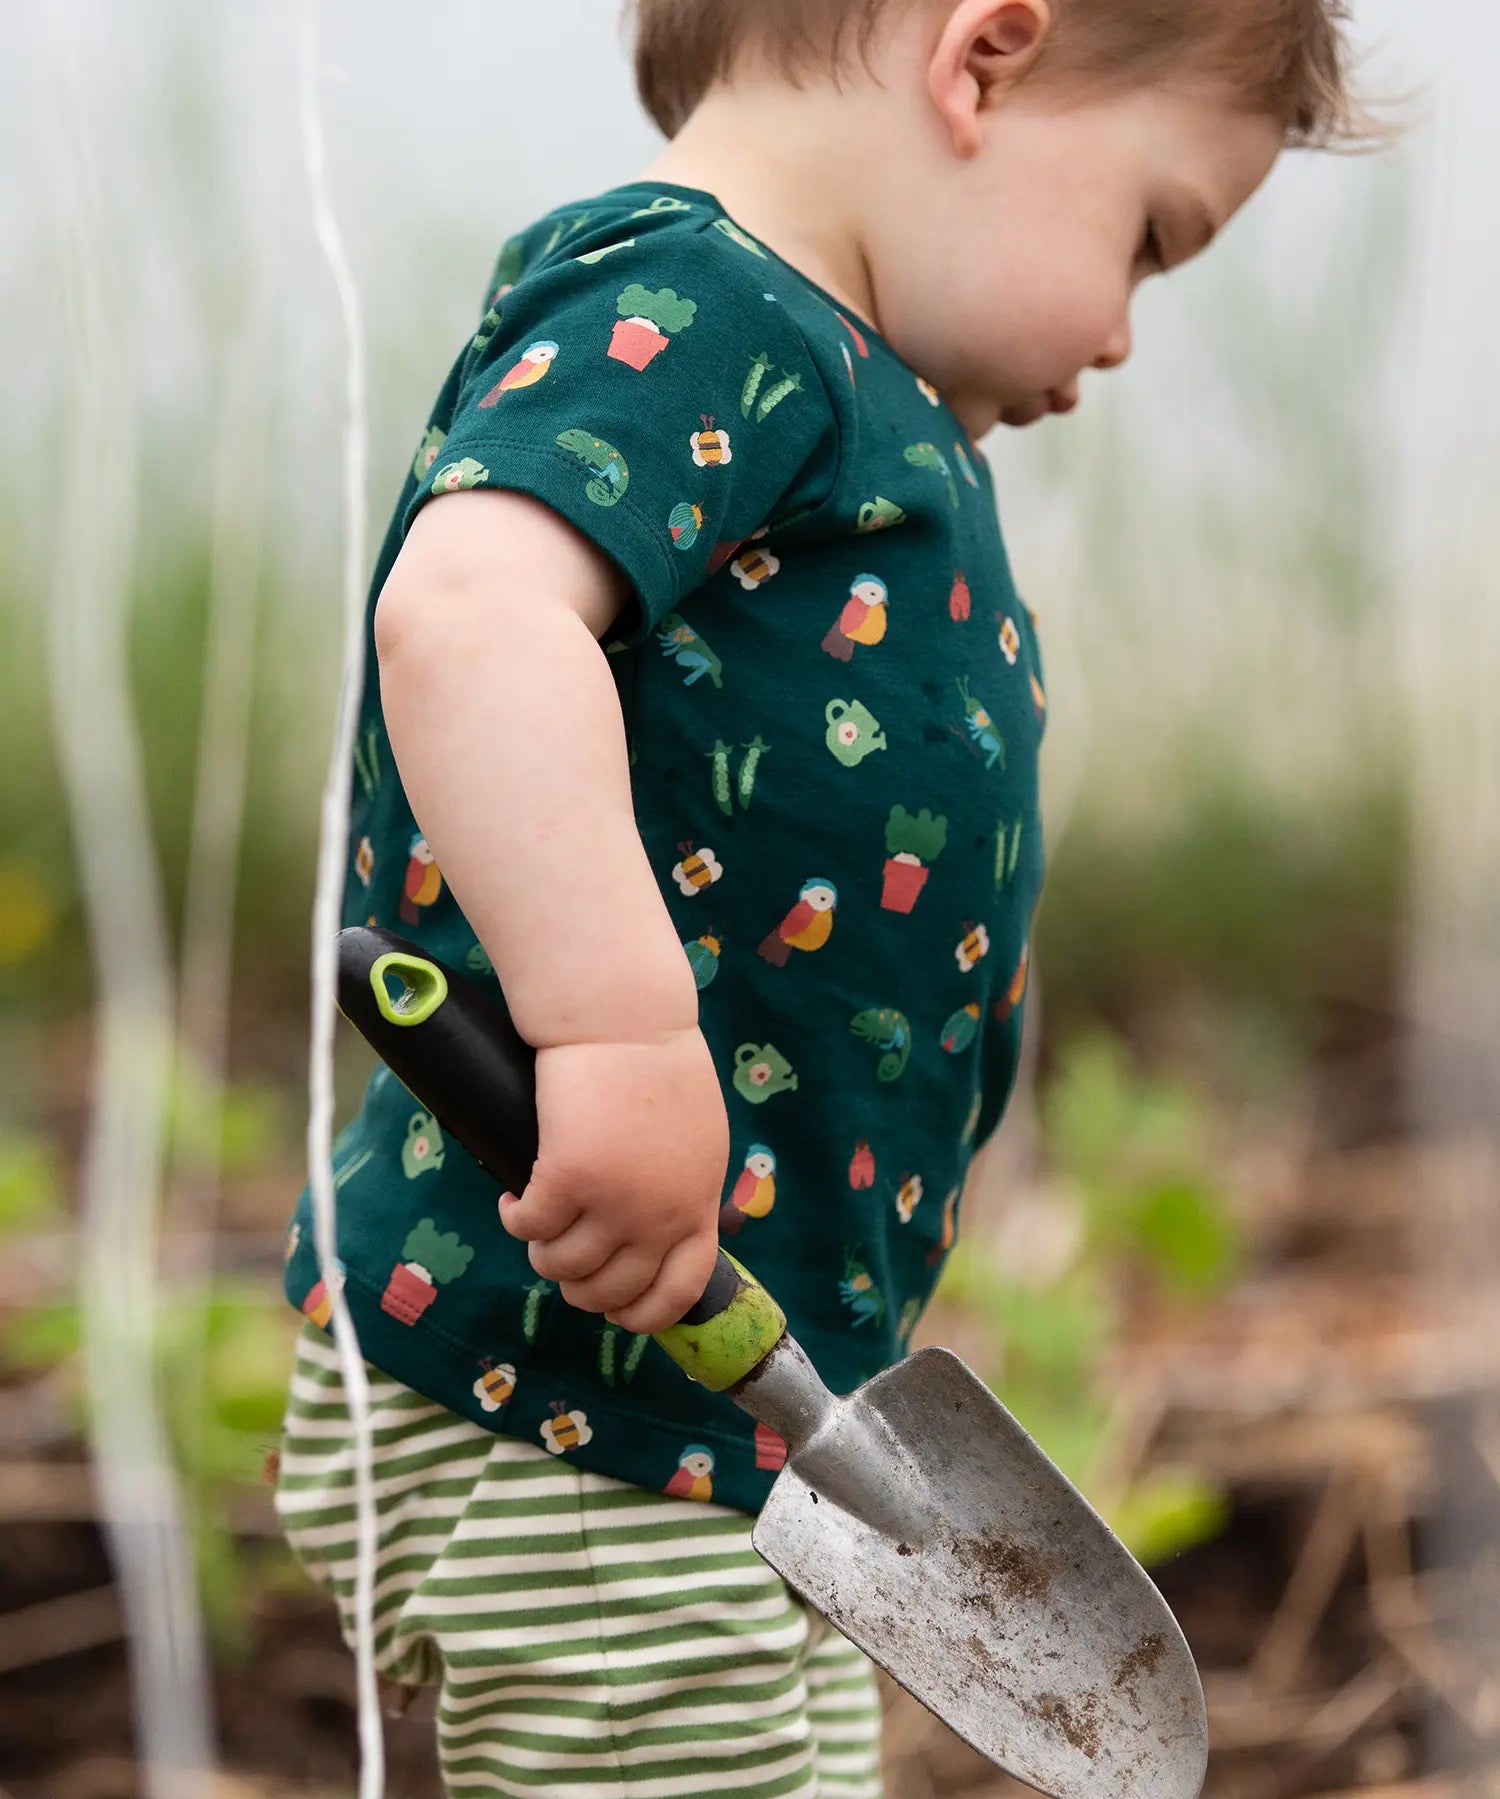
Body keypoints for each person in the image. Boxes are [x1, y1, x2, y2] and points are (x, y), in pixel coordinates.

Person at [274, 2, 1375, 1792]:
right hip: (575, 1375)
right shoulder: (707, 309)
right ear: (987, 58)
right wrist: (614, 1030)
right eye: (1150, 240)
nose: (1114, 334)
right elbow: (468, 618)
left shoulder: (842, 391)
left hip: (729, 1381)